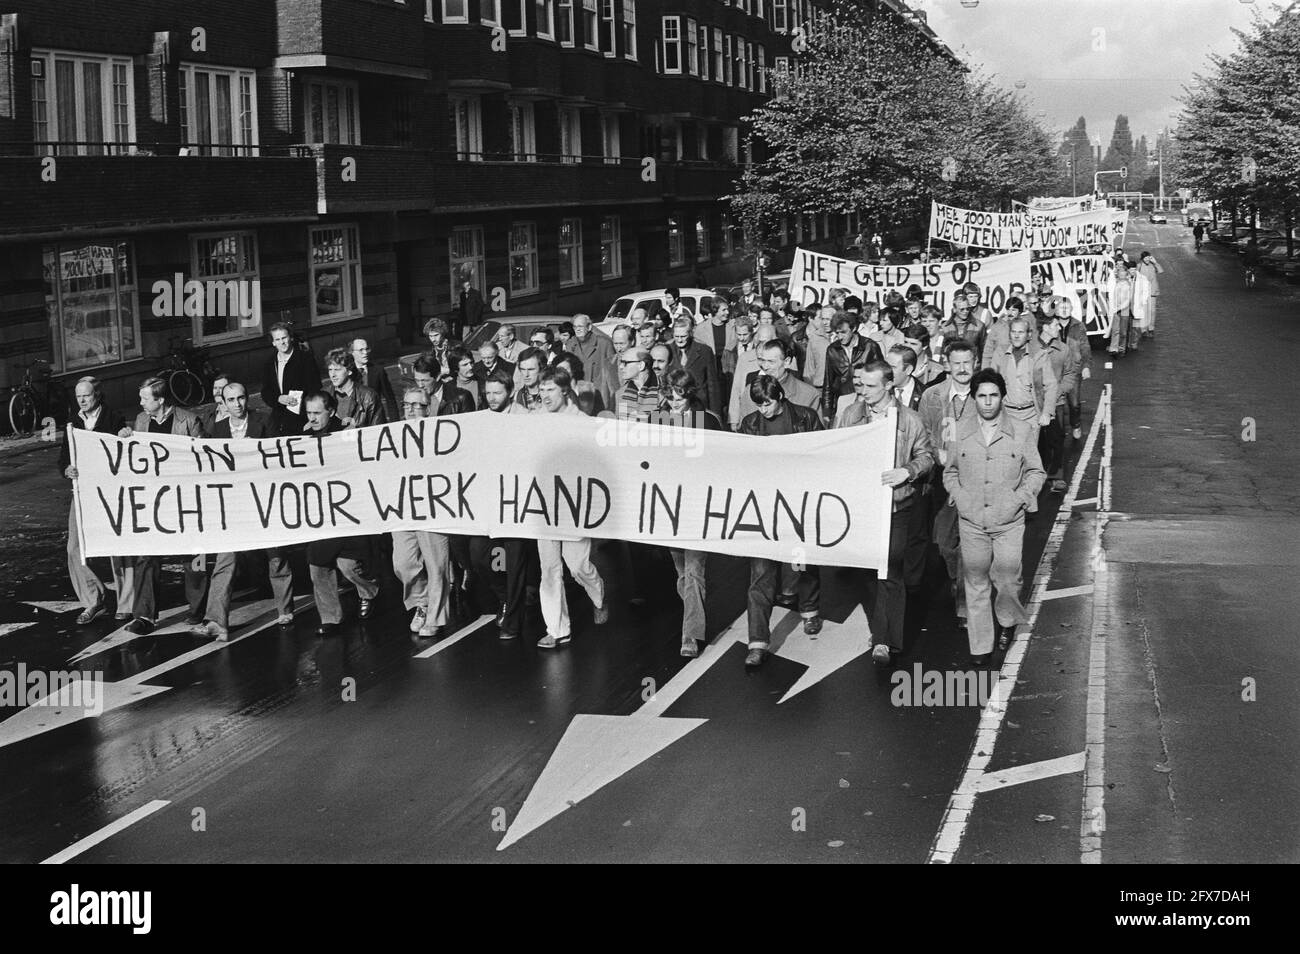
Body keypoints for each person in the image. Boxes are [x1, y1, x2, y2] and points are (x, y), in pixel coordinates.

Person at [835, 361, 934, 666]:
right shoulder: (852, 414)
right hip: (861, 506)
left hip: (896, 506)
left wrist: (907, 471)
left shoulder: (910, 420)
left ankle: (884, 641)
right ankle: (882, 625)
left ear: (889, 385)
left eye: (869, 385)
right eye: (860, 384)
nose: (861, 390)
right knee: (868, 570)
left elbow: (926, 456)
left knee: (890, 568)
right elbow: (836, 448)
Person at [944, 369, 1045, 665]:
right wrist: (960, 498)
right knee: (975, 581)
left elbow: (1036, 471)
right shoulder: (958, 430)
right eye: (982, 396)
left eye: (994, 396)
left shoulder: (1021, 430)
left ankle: (1006, 621)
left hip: (1009, 522)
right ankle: (980, 645)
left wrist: (1020, 499)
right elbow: (949, 471)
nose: (988, 402)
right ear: (974, 398)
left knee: (1009, 580)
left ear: (1002, 397)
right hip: (972, 521)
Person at [738, 375, 825, 668]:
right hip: (764, 508)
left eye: (768, 403)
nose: (763, 410)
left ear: (781, 397)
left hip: (799, 504)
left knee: (802, 563)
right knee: (760, 573)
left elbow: (824, 455)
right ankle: (757, 641)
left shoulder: (806, 417)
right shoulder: (749, 424)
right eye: (758, 405)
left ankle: (810, 610)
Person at [195, 382, 292, 639]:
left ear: (246, 399)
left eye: (241, 398)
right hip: (234, 504)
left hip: (263, 499)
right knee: (226, 559)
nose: (237, 404)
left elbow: (277, 455)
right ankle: (217, 620)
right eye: (231, 400)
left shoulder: (263, 421)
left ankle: (285, 607)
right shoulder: (217, 430)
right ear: (223, 404)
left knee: (275, 554)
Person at [117, 376, 208, 635]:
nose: (141, 402)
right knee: (146, 555)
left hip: (184, 498)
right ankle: (144, 615)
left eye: (146, 398)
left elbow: (203, 457)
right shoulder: (142, 421)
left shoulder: (188, 420)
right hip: (154, 500)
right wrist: (126, 438)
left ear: (160, 400)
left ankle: (197, 609)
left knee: (193, 555)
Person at [532, 366, 609, 648]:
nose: (545, 395)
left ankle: (599, 594)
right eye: (541, 390)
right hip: (544, 505)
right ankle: (557, 628)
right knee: (549, 569)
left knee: (577, 566)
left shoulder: (581, 422)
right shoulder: (534, 420)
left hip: (574, 505)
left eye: (550, 389)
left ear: (564, 390)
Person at [300, 391, 380, 637]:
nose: (311, 418)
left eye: (317, 413)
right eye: (308, 412)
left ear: (331, 412)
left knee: (348, 567)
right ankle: (330, 618)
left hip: (346, 512)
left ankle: (369, 591)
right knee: (318, 566)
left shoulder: (346, 433)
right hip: (321, 514)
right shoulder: (304, 437)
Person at [656, 370, 722, 657]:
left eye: (680, 397)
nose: (675, 403)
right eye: (670, 397)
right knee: (681, 571)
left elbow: (722, 459)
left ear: (690, 393)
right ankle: (694, 613)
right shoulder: (657, 420)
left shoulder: (707, 422)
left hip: (697, 503)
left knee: (694, 570)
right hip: (669, 505)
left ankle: (690, 635)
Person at [61, 376, 134, 624]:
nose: (82, 400)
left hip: (109, 492)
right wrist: (67, 469)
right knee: (74, 547)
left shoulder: (113, 417)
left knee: (117, 545)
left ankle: (126, 602)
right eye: (78, 396)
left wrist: (126, 436)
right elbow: (64, 457)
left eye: (87, 395)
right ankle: (94, 599)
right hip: (82, 492)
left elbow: (124, 453)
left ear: (97, 395)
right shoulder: (72, 422)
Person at [918, 340, 979, 631]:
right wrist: (936, 452)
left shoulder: (986, 395)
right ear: (947, 365)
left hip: (974, 480)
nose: (963, 369)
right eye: (956, 363)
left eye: (967, 362)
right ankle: (957, 578)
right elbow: (922, 435)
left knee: (970, 542)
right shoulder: (931, 396)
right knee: (943, 541)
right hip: (941, 481)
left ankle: (965, 606)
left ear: (975, 363)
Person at [472, 370, 536, 639]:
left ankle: (512, 621)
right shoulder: (481, 418)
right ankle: (505, 598)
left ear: (509, 392)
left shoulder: (524, 418)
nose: (491, 397)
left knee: (515, 561)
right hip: (490, 501)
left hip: (517, 503)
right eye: (488, 393)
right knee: (479, 557)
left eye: (497, 392)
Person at [389, 387, 453, 638]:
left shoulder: (442, 434)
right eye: (407, 405)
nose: (412, 410)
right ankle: (421, 602)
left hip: (434, 507)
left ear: (429, 409)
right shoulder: (392, 435)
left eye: (418, 405)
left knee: (436, 564)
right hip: (403, 507)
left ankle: (435, 617)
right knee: (403, 563)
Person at [988, 317, 1058, 442]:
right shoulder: (1000, 353)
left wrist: (1046, 412)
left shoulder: (1039, 355)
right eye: (1013, 332)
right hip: (1006, 413)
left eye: (1020, 332)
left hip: (1030, 414)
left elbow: (1051, 385)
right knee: (1008, 456)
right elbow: (991, 383)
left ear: (1029, 335)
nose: (1016, 336)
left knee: (1028, 456)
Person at [1034, 312, 1076, 495]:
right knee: (1037, 440)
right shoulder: (1030, 347)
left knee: (1057, 438)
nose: (1059, 328)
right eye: (1055, 325)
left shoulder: (1064, 349)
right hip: (1034, 401)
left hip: (1056, 402)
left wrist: (1058, 392)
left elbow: (1070, 374)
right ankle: (1036, 475)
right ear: (1045, 327)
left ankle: (1057, 476)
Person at [261, 322, 320, 437]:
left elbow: (315, 389)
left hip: (302, 418)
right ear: (273, 343)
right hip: (279, 420)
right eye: (277, 339)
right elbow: (266, 391)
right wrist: (278, 398)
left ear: (291, 338)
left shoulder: (305, 359)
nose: (282, 342)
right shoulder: (269, 363)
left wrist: (311, 418)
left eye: (284, 338)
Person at [823, 315, 880, 422]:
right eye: (837, 333)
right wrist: (827, 410)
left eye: (843, 332)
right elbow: (828, 381)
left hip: (867, 400)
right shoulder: (832, 349)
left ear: (853, 328)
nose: (840, 337)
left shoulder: (870, 346)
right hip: (843, 401)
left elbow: (881, 376)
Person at [666, 316, 723, 419]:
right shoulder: (667, 350)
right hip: (674, 407)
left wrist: (715, 413)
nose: (679, 340)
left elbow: (712, 384)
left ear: (691, 333)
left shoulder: (704, 351)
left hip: (698, 406)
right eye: (676, 336)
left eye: (683, 336)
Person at [324, 347, 383, 429]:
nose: (332, 374)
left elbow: (378, 430)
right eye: (330, 369)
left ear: (349, 371)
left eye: (337, 369)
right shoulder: (324, 395)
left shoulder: (368, 396)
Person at [411, 353, 478, 416]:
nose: (420, 385)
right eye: (417, 380)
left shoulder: (462, 398)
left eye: (425, 380)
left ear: (438, 377)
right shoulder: (411, 398)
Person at [350, 338, 399, 422]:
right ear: (352, 353)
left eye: (367, 349)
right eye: (361, 350)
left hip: (377, 419)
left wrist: (394, 422)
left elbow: (390, 398)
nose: (365, 353)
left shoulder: (378, 370)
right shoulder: (348, 372)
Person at [615, 347, 661, 421]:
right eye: (621, 363)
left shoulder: (663, 392)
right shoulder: (621, 394)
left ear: (641, 365)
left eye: (625, 363)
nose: (620, 367)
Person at [1134, 251, 1164, 338]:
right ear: (1142, 258)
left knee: (1152, 311)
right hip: (1142, 292)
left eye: (1148, 257)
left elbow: (1161, 271)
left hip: (1152, 291)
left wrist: (1155, 262)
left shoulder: (1153, 265)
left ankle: (1151, 329)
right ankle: (1143, 330)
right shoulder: (1139, 266)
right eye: (1145, 258)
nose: (1147, 259)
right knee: (1144, 311)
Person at [1108, 261, 1136, 357]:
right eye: (1120, 273)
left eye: (1123, 273)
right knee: (1115, 330)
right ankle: (1113, 348)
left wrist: (1119, 308)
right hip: (1115, 309)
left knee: (1123, 331)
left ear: (1126, 274)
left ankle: (1121, 349)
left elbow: (1128, 299)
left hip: (1124, 310)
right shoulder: (1115, 283)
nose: (1121, 274)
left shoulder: (1129, 284)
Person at [885, 344, 925, 411]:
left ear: (908, 369)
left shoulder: (926, 395)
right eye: (886, 365)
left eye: (893, 367)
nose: (887, 370)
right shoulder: (879, 389)